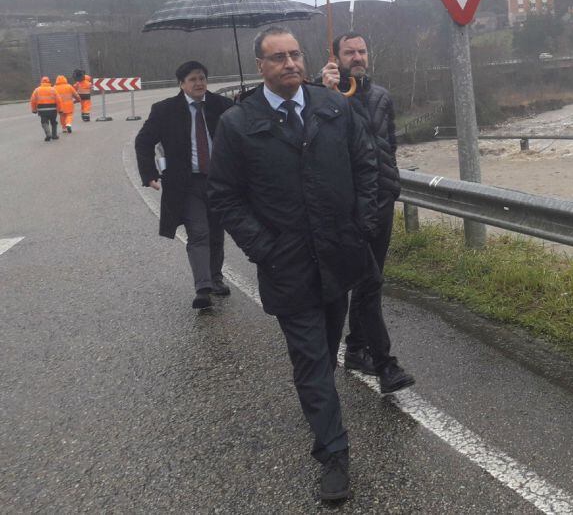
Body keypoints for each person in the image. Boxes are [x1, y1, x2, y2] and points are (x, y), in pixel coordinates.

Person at [207, 27, 413, 503]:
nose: (290, 64)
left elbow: (367, 164)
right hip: (287, 264)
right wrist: (263, 247)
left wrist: (361, 223)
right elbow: (225, 196)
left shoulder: (334, 108)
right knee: (312, 361)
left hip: (338, 256)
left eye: (295, 54)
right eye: (277, 58)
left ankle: (329, 428)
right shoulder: (239, 124)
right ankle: (333, 453)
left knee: (326, 343)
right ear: (260, 66)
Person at [322, 32, 402, 374]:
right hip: (347, 205)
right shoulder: (322, 94)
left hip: (381, 199)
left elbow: (390, 143)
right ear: (336, 56)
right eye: (349, 52)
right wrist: (326, 91)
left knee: (372, 278)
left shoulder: (382, 95)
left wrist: (390, 183)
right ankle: (377, 360)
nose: (357, 57)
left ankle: (356, 347)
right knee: (359, 282)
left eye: (362, 51)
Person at [134, 61, 234, 310]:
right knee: (198, 231)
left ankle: (216, 278)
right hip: (186, 183)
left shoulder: (224, 107)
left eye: (202, 78)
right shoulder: (165, 110)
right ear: (181, 84)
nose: (199, 83)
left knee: (216, 233)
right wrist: (149, 173)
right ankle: (203, 287)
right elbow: (143, 141)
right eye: (192, 79)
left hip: (219, 181)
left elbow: (241, 138)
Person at [29, 76, 59, 141]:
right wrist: (60, 109)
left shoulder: (37, 90)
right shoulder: (53, 89)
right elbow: (58, 100)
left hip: (42, 110)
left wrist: (34, 109)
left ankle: (48, 133)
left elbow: (33, 100)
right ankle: (54, 135)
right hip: (53, 109)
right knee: (53, 122)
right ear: (49, 82)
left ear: (41, 82)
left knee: (44, 122)